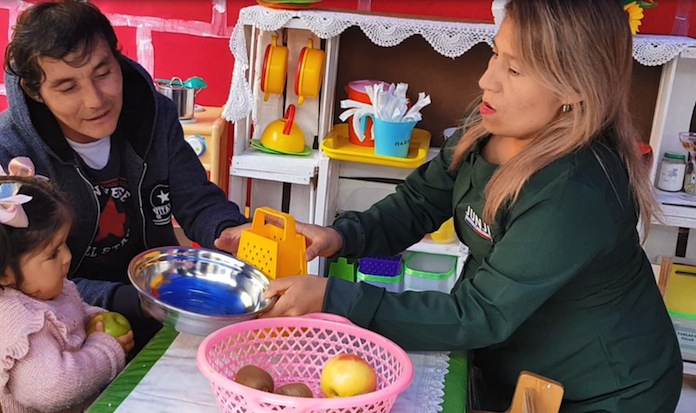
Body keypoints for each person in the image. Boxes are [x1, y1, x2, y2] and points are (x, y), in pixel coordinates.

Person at [250, 1, 683, 411]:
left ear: (574, 88)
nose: (486, 80)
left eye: (514, 68)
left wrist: (334, 297)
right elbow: (418, 202)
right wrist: (342, 236)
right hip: (513, 363)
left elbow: (481, 313)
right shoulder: (489, 124)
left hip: (604, 393)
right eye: (496, 54)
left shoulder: (574, 191)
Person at [0, 1, 248, 353]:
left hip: (159, 301)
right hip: (66, 332)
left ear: (117, 58)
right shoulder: (7, 149)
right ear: (33, 90)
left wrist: (229, 231)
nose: (95, 100)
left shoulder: (153, 114)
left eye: (103, 73)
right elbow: (20, 275)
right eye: (67, 87)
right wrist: (124, 299)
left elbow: (196, 200)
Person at [0, 168, 133, 413]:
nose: (67, 257)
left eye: (64, 244)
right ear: (5, 273)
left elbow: (71, 312)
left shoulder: (41, 288)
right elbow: (53, 389)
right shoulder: (12, 324)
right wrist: (105, 351)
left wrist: (95, 319)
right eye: (53, 253)